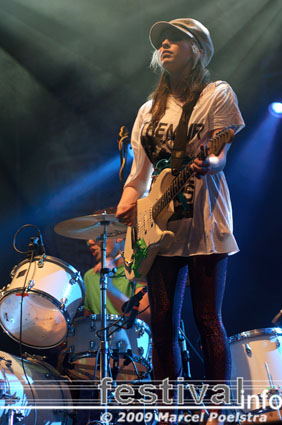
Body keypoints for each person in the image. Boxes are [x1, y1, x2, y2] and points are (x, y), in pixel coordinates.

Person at [116, 18, 245, 424]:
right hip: (158, 230)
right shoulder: (147, 110)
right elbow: (139, 176)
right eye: (161, 41)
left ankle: (215, 407)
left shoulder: (216, 93)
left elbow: (221, 151)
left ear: (198, 50)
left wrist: (211, 160)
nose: (165, 44)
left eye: (176, 39)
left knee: (207, 319)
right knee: (163, 324)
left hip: (205, 221)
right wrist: (128, 208)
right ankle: (166, 410)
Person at [84, 238, 150, 324]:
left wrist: (109, 286)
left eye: (95, 234)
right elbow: (88, 324)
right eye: (87, 237)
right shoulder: (89, 276)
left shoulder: (139, 269)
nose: (90, 242)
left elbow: (145, 316)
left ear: (119, 237)